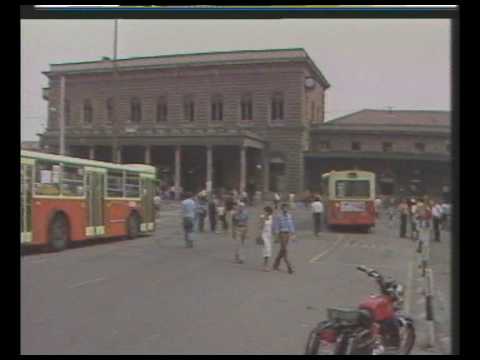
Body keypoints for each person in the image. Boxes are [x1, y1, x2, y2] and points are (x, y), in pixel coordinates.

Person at [272, 203, 296, 274]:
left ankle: (275, 265)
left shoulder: (289, 216)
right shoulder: (279, 216)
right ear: (282, 209)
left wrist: (293, 234)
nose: (285, 209)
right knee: (284, 250)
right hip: (282, 234)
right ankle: (289, 267)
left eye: (286, 208)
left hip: (287, 234)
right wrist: (276, 236)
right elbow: (276, 226)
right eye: (284, 208)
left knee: (282, 250)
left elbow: (291, 225)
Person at [258, 206, 274, 271]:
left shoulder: (271, 217)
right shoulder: (262, 217)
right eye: (264, 211)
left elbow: (273, 226)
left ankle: (265, 264)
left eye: (265, 211)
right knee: (266, 249)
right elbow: (260, 226)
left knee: (268, 250)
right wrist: (263, 219)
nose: (264, 212)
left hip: (270, 235)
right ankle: (265, 265)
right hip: (264, 235)